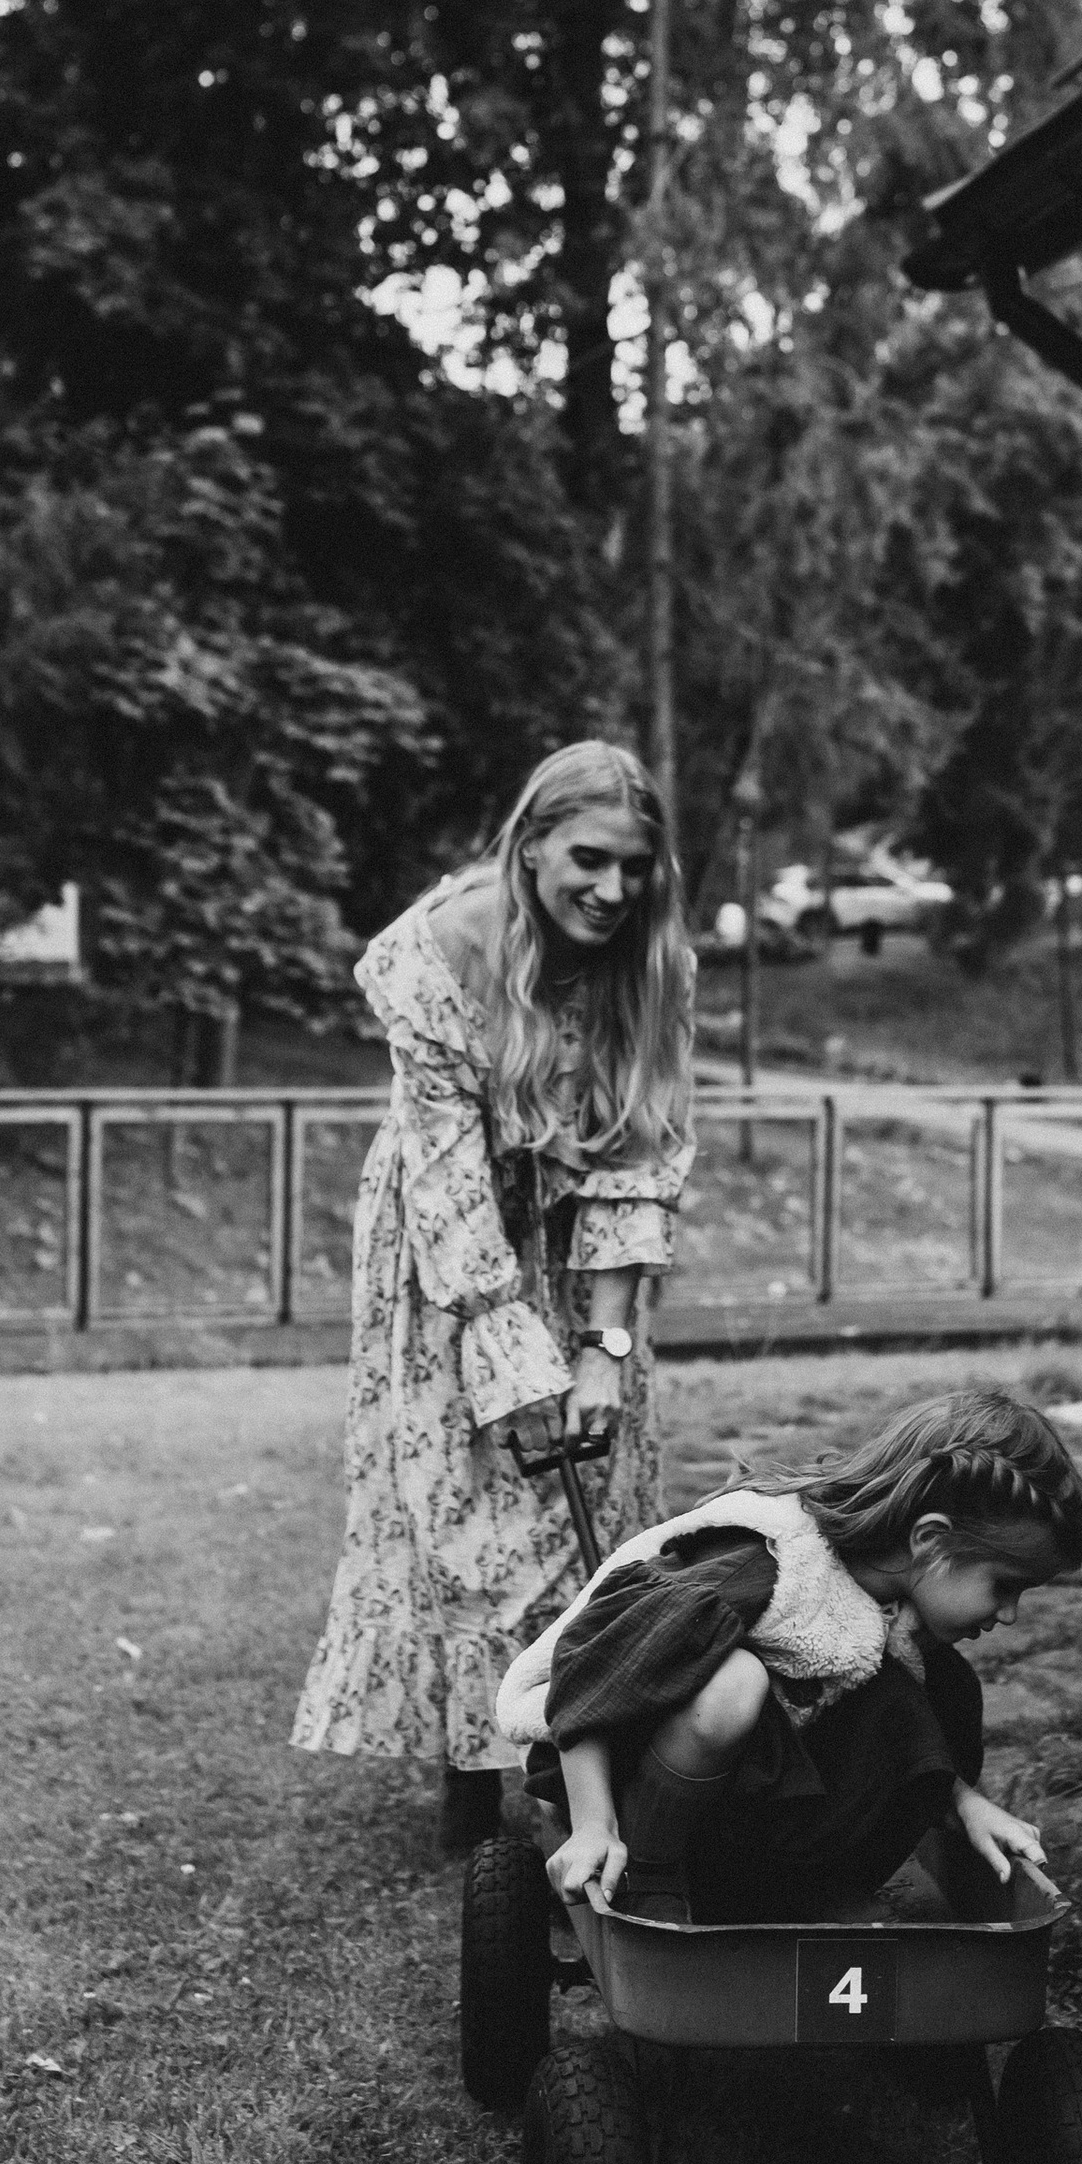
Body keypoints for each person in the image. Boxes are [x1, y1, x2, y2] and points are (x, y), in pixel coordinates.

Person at [291, 739, 698, 1854]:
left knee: (593, 1478)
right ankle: (473, 1775)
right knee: (466, 1502)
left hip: (578, 1245)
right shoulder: (437, 952)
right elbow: (445, 1171)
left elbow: (636, 1158)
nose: (612, 890)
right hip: (446, 1248)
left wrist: (603, 1344)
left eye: (634, 867)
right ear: (528, 845)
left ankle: (589, 1763)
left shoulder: (650, 963)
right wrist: (503, 1338)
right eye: (588, 859)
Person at [493, 1384, 1082, 1925]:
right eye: (1004, 1585)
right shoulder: (765, 1567)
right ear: (930, 1540)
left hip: (735, 1803)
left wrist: (962, 1802)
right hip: (606, 1765)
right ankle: (651, 1877)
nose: (1008, 1614)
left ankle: (791, 1887)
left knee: (918, 1697)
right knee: (734, 1682)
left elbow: (905, 1730)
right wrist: (594, 1825)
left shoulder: (894, 1611)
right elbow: (598, 1672)